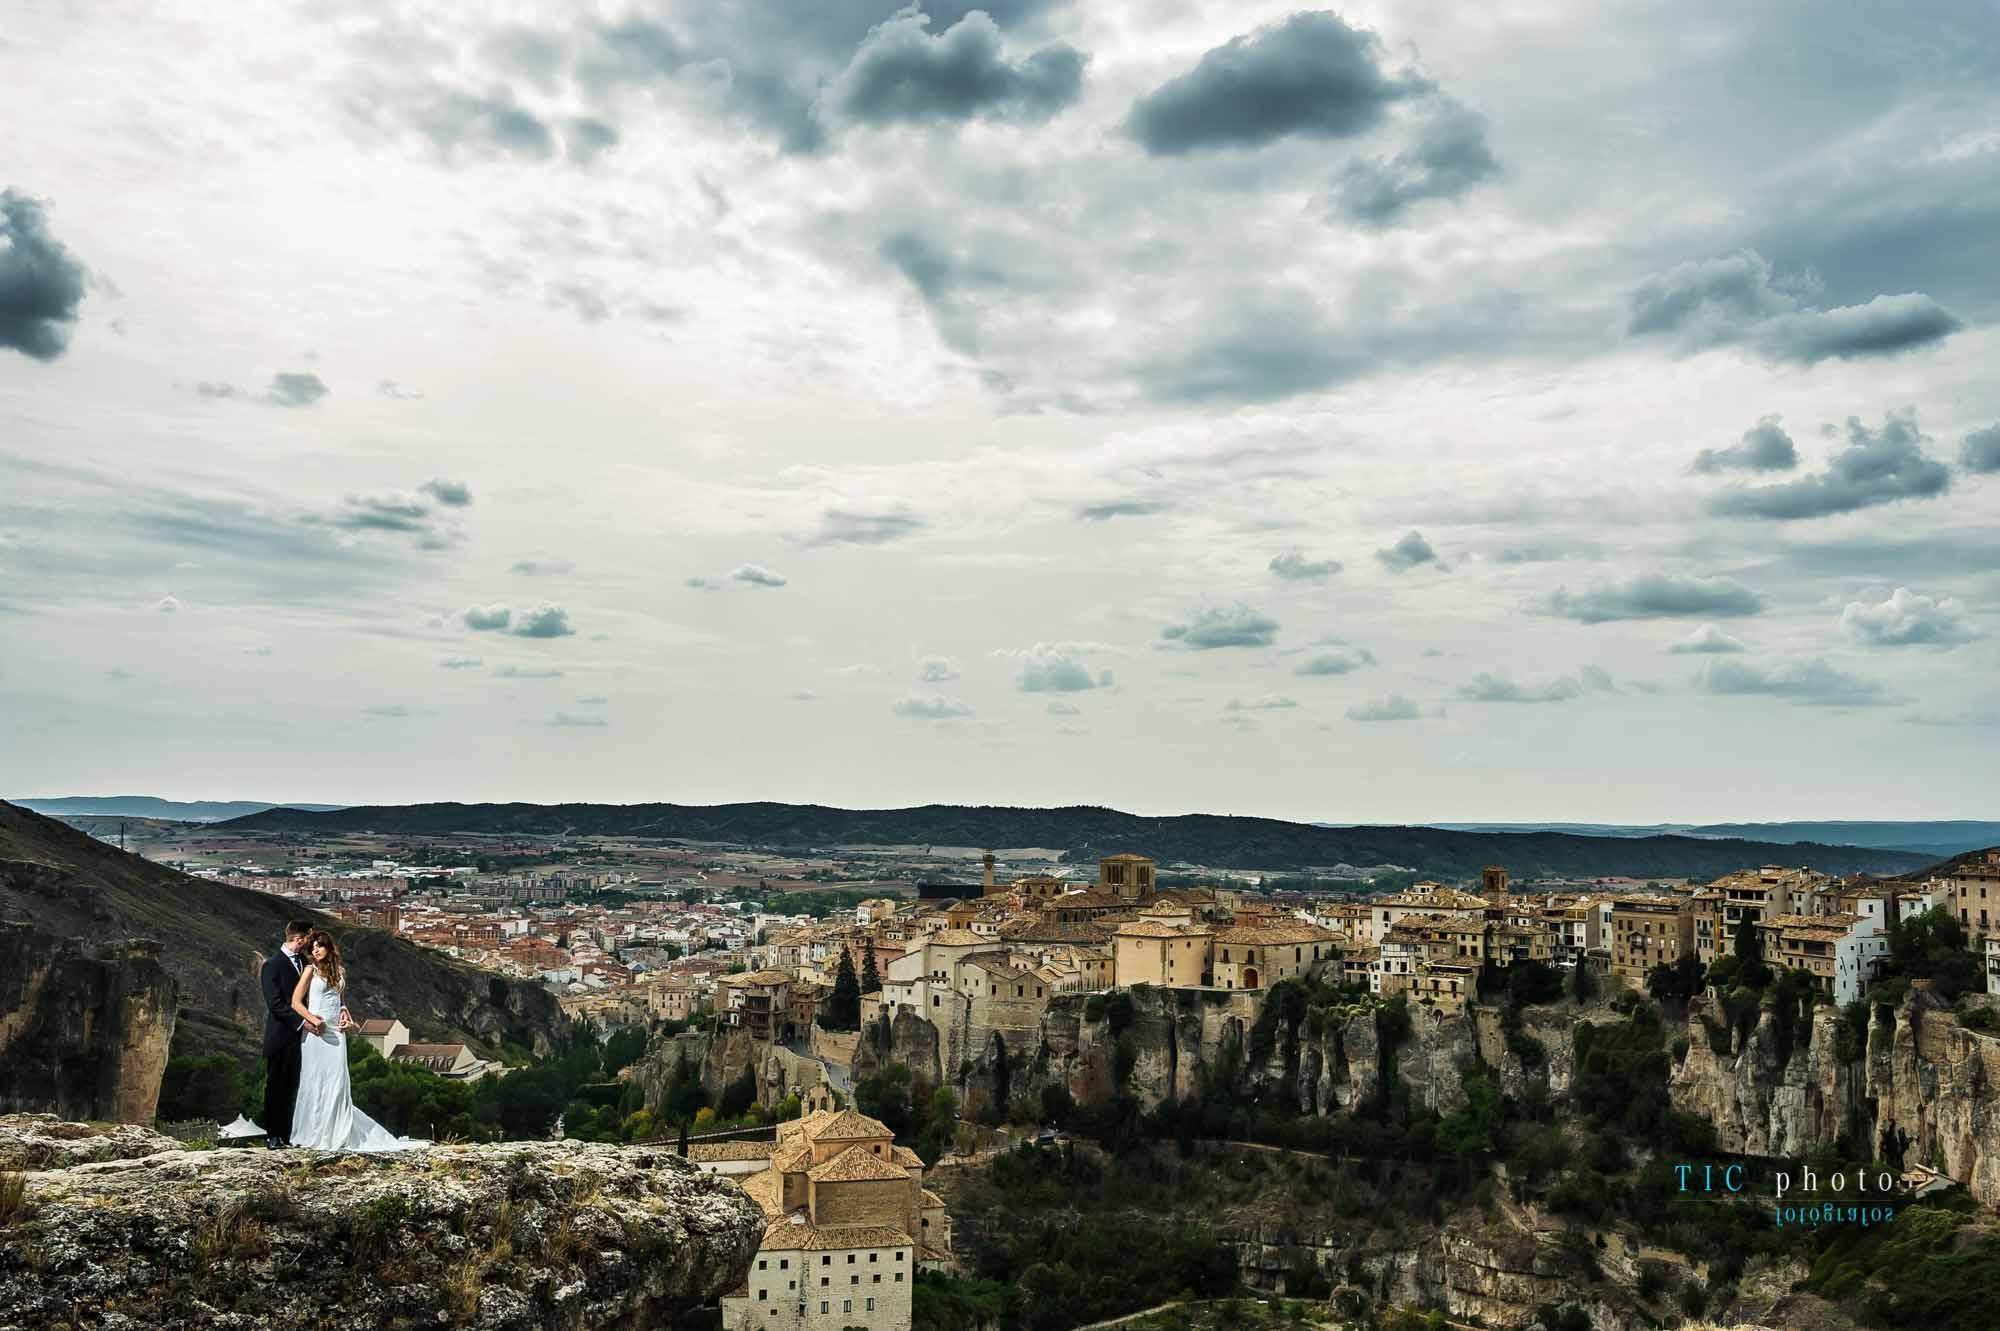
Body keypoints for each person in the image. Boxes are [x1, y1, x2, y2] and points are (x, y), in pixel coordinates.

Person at [287, 929, 428, 1153]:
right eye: (313, 947)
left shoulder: (340, 972)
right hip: (316, 1033)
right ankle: (313, 1133)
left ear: (329, 948)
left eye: (320, 946)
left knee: (338, 1082)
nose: (316, 950)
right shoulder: (309, 971)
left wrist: (347, 1018)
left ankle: (336, 1131)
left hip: (336, 1033)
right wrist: (314, 1021)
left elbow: (340, 1002)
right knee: (314, 1081)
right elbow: (295, 1002)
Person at [258, 920, 317, 1149]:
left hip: (302, 1038)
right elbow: (275, 1004)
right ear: (299, 939)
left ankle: (287, 1135)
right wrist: (302, 1022)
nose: (311, 942)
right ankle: (273, 1135)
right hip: (281, 1036)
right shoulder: (272, 965)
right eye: (308, 937)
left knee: (292, 1087)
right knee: (276, 1087)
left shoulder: (305, 962)